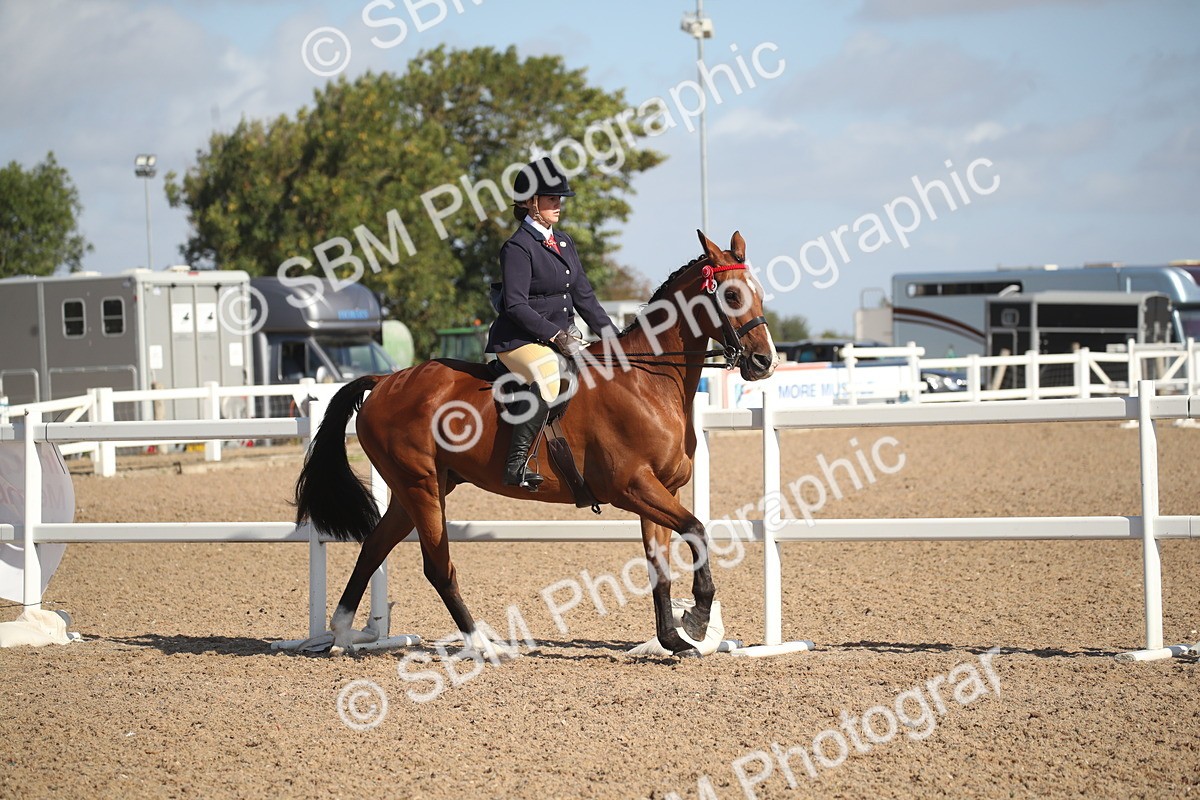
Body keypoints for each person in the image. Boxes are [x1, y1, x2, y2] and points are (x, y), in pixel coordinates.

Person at [485, 157, 618, 491]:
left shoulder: (564, 242)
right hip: (519, 341)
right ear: (531, 204)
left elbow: (585, 297)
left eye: (559, 198)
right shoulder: (517, 248)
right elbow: (515, 305)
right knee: (547, 372)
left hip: (563, 337)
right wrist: (556, 335)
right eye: (550, 199)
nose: (558, 204)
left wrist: (614, 339)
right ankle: (516, 464)